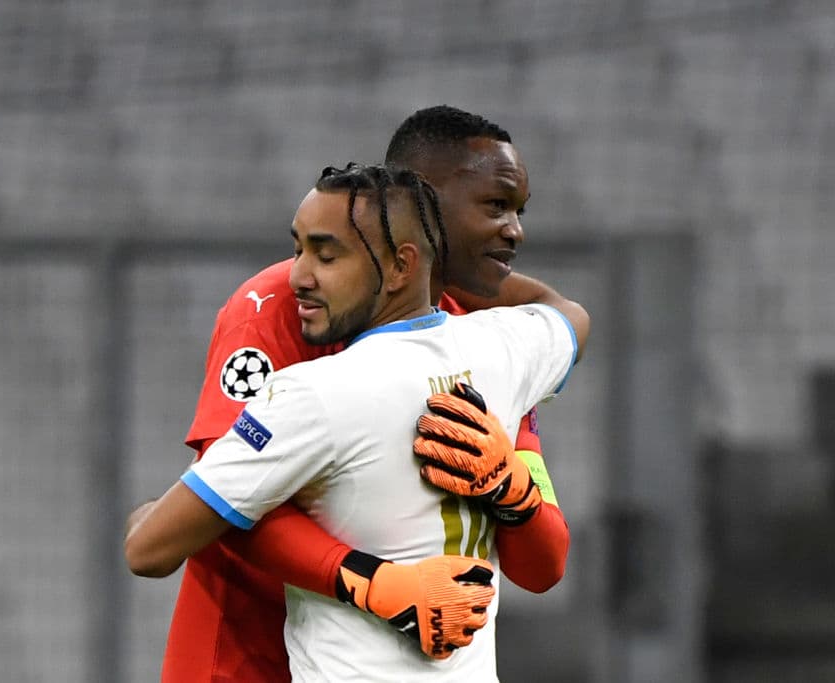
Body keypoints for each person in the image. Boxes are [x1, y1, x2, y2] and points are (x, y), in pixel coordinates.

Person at [126, 105, 573, 681]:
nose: (514, 231)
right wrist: (382, 585)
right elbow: (222, 509)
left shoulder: (488, 344)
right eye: (495, 206)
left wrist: (514, 491)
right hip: (246, 656)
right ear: (421, 201)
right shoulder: (277, 311)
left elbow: (543, 564)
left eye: (516, 210)